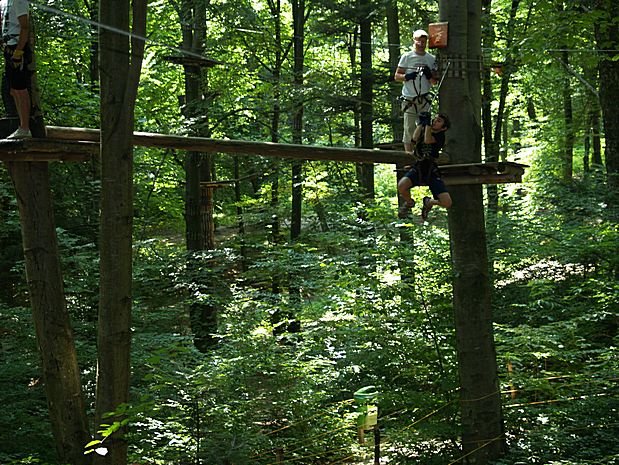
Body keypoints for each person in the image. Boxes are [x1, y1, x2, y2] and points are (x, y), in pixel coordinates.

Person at [397, 112, 451, 221]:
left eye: (439, 121)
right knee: (401, 186)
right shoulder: (424, 130)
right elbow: (413, 139)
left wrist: (427, 125)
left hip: (431, 171)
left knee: (447, 203)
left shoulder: (440, 136)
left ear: (444, 128)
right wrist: (421, 123)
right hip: (419, 167)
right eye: (435, 119)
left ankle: (429, 202)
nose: (435, 121)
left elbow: (427, 140)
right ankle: (409, 202)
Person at [394, 29, 437, 153]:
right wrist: (407, 77)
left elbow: (434, 82)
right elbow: (397, 76)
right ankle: (409, 157)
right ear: (414, 41)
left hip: (424, 99)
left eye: (423, 41)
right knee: (409, 128)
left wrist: (429, 75)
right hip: (409, 99)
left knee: (424, 127)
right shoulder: (407, 57)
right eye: (418, 41)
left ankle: (422, 153)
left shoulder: (431, 58)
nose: (421, 44)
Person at [0, 0, 31, 139]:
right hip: (8, 47)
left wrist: (18, 52)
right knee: (13, 90)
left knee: (20, 89)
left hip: (17, 47)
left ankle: (25, 128)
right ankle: (21, 126)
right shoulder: (5, 2)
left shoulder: (19, 1)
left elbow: (24, 27)